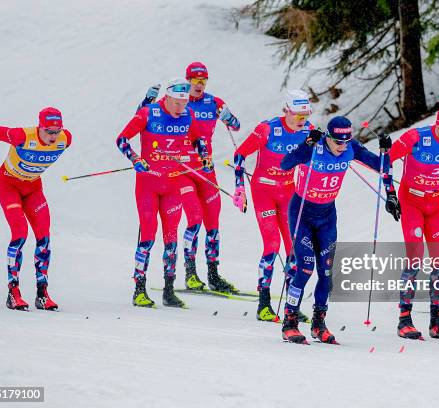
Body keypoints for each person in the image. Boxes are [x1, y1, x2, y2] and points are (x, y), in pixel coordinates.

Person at [279, 116, 398, 344]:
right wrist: (306, 145)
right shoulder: (314, 145)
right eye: (338, 143)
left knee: (326, 274)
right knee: (304, 269)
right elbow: (285, 164)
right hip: (302, 213)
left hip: (326, 216)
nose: (342, 147)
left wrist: (385, 151)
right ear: (328, 137)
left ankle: (318, 324)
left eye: (346, 142)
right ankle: (290, 322)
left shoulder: (351, 147)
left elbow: (383, 167)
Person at [138, 62, 240, 294]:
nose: (199, 85)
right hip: (181, 170)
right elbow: (142, 119)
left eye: (203, 81)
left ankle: (213, 275)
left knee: (213, 222)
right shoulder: (175, 104)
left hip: (205, 169)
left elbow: (236, 126)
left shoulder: (213, 102)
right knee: (194, 218)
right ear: (187, 81)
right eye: (195, 80)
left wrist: (228, 116)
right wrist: (146, 100)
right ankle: (190, 273)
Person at [116, 79, 210, 308]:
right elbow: (122, 139)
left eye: (184, 103)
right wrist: (136, 159)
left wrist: (204, 155)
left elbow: (199, 140)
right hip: (148, 184)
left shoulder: (188, 116)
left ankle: (169, 290)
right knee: (148, 235)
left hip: (173, 184)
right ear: (166, 98)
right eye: (176, 102)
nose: (180, 108)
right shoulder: (148, 113)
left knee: (171, 238)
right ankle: (139, 289)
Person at [388, 103, 439, 340]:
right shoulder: (416, 137)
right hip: (411, 201)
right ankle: (404, 319)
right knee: (414, 258)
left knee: (438, 262)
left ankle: (436, 321)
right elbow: (386, 161)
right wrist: (390, 194)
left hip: (436, 205)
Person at [232, 90, 313, 323]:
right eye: (297, 115)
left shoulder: (308, 130)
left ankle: (292, 306)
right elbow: (240, 155)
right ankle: (264, 304)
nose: (301, 120)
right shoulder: (266, 129)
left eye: (305, 115)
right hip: (264, 191)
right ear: (286, 111)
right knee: (272, 244)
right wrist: (240, 188)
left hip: (288, 191)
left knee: (293, 248)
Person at [0, 107, 72, 311]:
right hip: (9, 185)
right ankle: (13, 293)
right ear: (40, 127)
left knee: (44, 236)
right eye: (48, 131)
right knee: (20, 233)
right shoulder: (21, 136)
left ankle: (42, 293)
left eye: (56, 131)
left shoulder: (65, 139)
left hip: (32, 187)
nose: (53, 136)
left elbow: (54, 145)